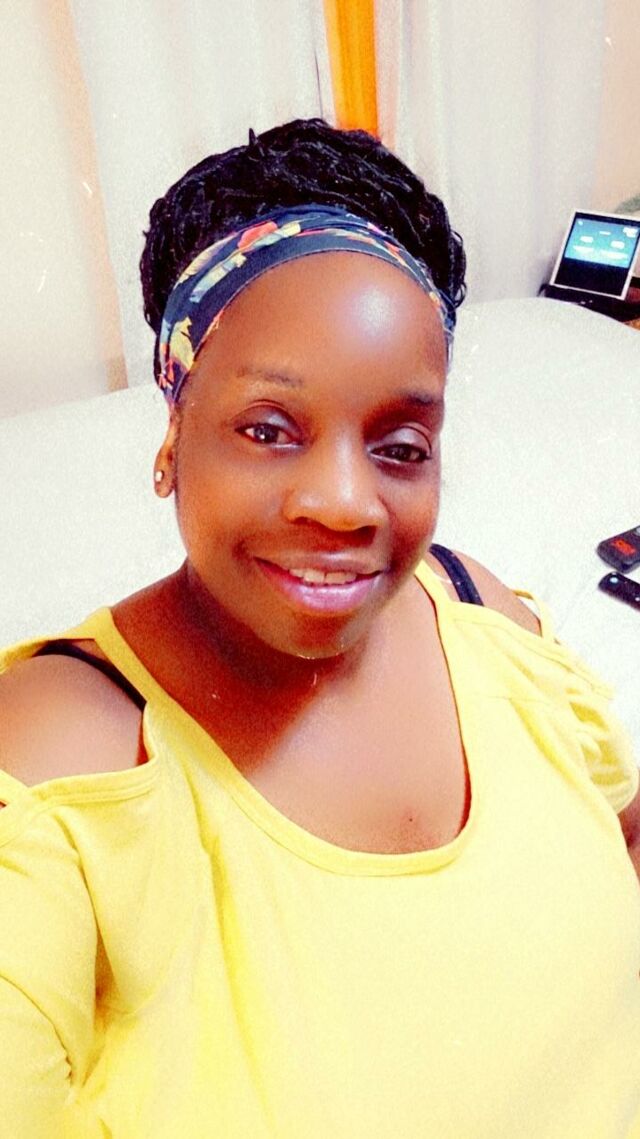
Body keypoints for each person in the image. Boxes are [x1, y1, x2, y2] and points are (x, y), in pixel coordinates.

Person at [0, 117, 639, 1138]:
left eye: (399, 443)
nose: (344, 503)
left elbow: (620, 831)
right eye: (268, 429)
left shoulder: (481, 608)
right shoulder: (58, 760)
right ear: (174, 429)